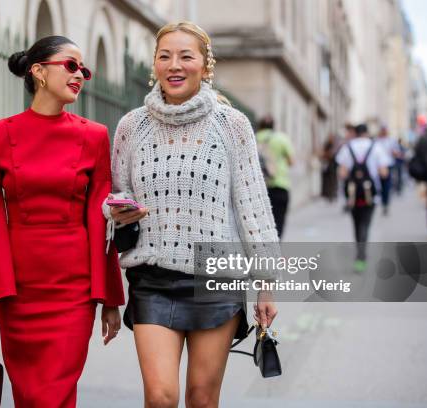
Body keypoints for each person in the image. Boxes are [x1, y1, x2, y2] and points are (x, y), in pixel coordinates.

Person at [104, 22, 280, 408]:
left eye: (186, 56)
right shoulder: (131, 127)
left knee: (201, 398)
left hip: (216, 282)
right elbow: (118, 193)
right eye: (165, 56)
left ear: (205, 65)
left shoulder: (231, 125)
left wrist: (265, 283)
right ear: (154, 65)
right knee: (161, 396)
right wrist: (117, 208)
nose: (174, 64)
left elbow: (252, 206)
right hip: (152, 279)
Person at [0, 36, 125, 407]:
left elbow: (101, 221)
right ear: (38, 71)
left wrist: (108, 297)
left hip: (73, 291)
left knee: (56, 389)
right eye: (71, 66)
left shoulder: (94, 137)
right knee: (29, 394)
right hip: (19, 290)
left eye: (84, 70)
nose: (80, 76)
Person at [336, 124, 390, 273]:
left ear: (356, 133)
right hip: (370, 194)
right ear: (366, 133)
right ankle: (361, 255)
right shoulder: (376, 147)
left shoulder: (347, 148)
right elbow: (384, 172)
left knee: (356, 222)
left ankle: (359, 251)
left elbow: (342, 173)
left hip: (353, 194)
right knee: (365, 223)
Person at [256, 116, 295, 239]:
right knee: (278, 221)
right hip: (279, 185)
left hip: (259, 187)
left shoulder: (254, 137)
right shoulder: (281, 138)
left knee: (260, 223)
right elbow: (291, 161)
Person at [375, 126, 398, 215]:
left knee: (386, 186)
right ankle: (381, 201)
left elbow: (396, 152)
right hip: (378, 166)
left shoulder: (391, 141)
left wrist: (393, 153)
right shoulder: (377, 141)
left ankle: (385, 203)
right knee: (378, 185)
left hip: (387, 165)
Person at [320, 133, 340, 202]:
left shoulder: (335, 146)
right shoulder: (328, 145)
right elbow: (324, 154)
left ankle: (333, 194)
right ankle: (328, 194)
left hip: (333, 166)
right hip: (328, 166)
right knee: (328, 181)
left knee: (333, 181)